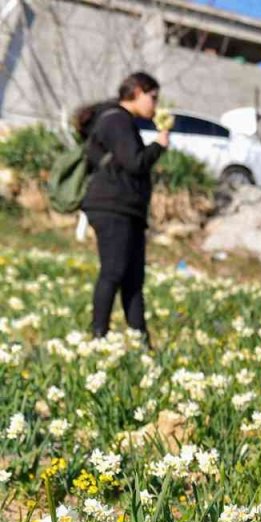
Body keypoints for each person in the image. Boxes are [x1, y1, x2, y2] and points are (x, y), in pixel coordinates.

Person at [75, 71, 169, 342]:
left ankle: (141, 341)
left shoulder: (117, 120)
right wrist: (158, 146)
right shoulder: (117, 120)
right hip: (113, 207)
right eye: (152, 97)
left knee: (133, 278)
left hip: (125, 209)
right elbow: (135, 162)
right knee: (114, 271)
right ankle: (98, 337)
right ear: (137, 92)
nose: (155, 104)